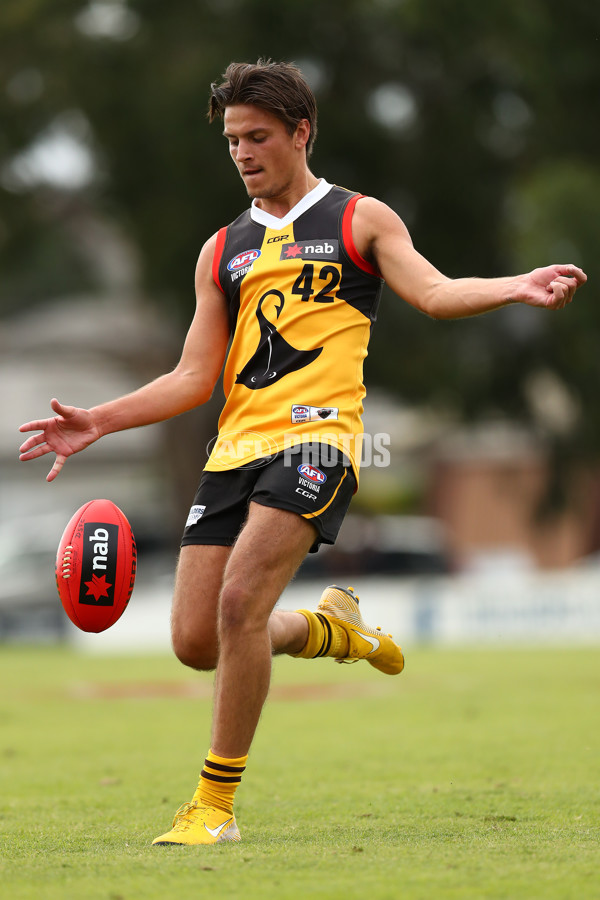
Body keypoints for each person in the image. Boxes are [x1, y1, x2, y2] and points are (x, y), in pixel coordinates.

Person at [19, 59, 586, 847]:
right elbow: (193, 375)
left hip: (319, 440)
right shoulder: (222, 250)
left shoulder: (360, 219)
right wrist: (100, 420)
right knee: (196, 642)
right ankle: (332, 630)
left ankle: (213, 808)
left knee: (238, 605)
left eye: (257, 137)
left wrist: (513, 285)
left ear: (300, 133)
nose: (243, 153)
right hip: (235, 449)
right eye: (231, 141)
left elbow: (433, 291)